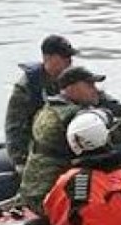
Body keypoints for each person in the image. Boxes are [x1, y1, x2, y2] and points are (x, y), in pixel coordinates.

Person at [19, 65, 121, 215]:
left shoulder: (48, 109)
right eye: (89, 85)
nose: (95, 89)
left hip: (33, 193)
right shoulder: (74, 118)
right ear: (72, 88)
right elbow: (105, 137)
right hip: (50, 200)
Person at [5, 35, 78, 174]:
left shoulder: (72, 79)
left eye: (70, 57)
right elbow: (14, 127)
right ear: (47, 58)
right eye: (64, 57)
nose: (69, 61)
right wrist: (20, 160)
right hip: (39, 149)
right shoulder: (28, 87)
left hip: (66, 144)